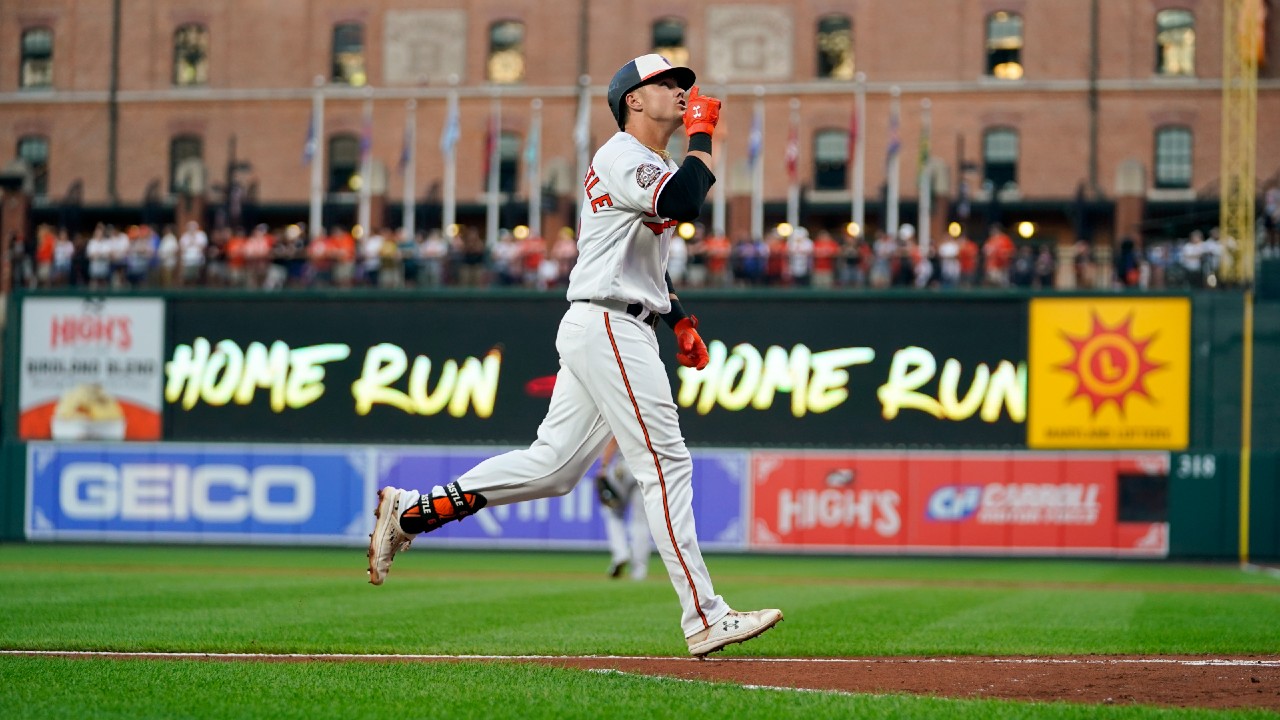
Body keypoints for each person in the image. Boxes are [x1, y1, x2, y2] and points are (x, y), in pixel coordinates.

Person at [367, 54, 782, 657]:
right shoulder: (623, 155)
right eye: (666, 83)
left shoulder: (648, 162)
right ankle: (704, 615)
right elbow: (686, 203)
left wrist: (678, 318)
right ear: (633, 100)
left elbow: (632, 259)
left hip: (611, 319)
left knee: (554, 469)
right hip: (610, 324)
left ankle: (412, 512)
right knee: (666, 464)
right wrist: (702, 134)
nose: (679, 91)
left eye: (680, 85)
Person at [594, 437, 652, 581]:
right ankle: (639, 570)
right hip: (646, 469)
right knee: (641, 522)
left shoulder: (626, 413)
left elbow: (613, 439)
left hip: (624, 467)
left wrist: (604, 467)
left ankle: (620, 554)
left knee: (614, 513)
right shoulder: (654, 416)